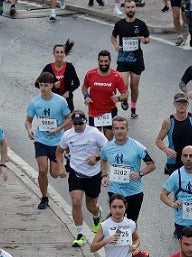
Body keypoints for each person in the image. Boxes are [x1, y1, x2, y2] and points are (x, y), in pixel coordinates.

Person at [60, 111, 110, 246]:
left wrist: (96, 157)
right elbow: (59, 150)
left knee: (91, 206)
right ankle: (79, 234)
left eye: (80, 123)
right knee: (76, 202)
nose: (78, 126)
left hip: (93, 174)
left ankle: (97, 215)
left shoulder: (94, 133)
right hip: (76, 173)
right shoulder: (67, 135)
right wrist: (60, 166)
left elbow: (108, 148)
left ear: (85, 121)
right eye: (75, 123)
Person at [26, 72, 71, 213]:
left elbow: (69, 119)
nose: (43, 88)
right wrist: (29, 130)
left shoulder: (60, 102)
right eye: (41, 85)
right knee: (42, 170)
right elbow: (28, 120)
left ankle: (62, 164)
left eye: (46, 85)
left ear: (52, 85)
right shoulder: (35, 102)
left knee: (54, 174)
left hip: (57, 141)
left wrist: (58, 129)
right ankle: (44, 197)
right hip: (41, 140)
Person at [102, 116, 156, 222]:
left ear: (127, 129)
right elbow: (103, 160)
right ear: (112, 130)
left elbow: (152, 165)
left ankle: (133, 239)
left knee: (131, 224)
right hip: (115, 191)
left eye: (122, 128)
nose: (119, 131)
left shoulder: (138, 147)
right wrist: (104, 175)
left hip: (133, 192)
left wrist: (140, 173)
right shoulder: (107, 147)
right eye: (116, 129)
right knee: (113, 222)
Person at [112, 1, 153, 115]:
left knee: (134, 87)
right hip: (123, 59)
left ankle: (134, 107)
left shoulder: (141, 24)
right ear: (124, 9)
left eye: (132, 7)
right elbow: (113, 37)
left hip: (136, 59)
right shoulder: (119, 24)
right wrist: (116, 45)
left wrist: (144, 40)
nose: (130, 9)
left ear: (135, 9)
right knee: (123, 85)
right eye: (128, 7)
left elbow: (147, 38)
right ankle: (125, 99)